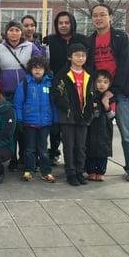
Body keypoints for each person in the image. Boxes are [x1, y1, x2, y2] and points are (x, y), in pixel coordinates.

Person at [86, 3, 129, 182]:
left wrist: (112, 91)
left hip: (121, 92)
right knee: (97, 132)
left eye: (102, 14)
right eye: (95, 15)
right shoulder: (90, 40)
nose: (98, 18)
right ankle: (94, 167)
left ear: (110, 17)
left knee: (127, 132)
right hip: (99, 92)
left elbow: (126, 67)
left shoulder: (121, 37)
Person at [0, 20, 42, 171]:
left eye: (17, 30)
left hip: (26, 93)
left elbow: (41, 63)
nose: (14, 33)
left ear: (22, 32)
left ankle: (26, 158)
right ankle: (12, 158)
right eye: (11, 30)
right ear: (6, 32)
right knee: (10, 127)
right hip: (6, 94)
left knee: (25, 126)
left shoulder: (31, 47)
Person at [43, 11, 87, 164]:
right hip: (58, 85)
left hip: (78, 85)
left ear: (72, 23)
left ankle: (76, 156)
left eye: (66, 22)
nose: (63, 25)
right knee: (56, 124)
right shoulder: (50, 41)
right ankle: (54, 151)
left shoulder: (82, 40)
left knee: (75, 123)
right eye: (60, 23)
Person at [51, 43, 94, 186]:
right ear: (70, 57)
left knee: (81, 146)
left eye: (83, 55)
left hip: (83, 116)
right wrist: (66, 106)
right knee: (69, 145)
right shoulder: (62, 75)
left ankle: (80, 172)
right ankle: (70, 172)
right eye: (77, 55)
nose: (80, 58)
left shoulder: (89, 74)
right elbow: (56, 94)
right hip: (68, 116)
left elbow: (92, 94)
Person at [14, 56, 56, 183]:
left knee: (43, 150)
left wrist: (55, 120)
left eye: (41, 68)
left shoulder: (49, 83)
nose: (38, 71)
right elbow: (18, 103)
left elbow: (54, 104)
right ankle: (28, 170)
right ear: (30, 69)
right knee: (30, 149)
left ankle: (46, 171)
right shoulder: (25, 84)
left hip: (45, 122)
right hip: (29, 122)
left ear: (45, 70)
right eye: (35, 68)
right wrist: (20, 119)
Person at [86, 70, 116, 182]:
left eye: (105, 82)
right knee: (90, 149)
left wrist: (106, 105)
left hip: (105, 129)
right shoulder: (91, 96)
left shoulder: (110, 97)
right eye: (99, 81)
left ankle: (101, 171)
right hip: (92, 128)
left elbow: (112, 116)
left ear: (109, 84)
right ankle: (91, 171)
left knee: (103, 151)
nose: (101, 84)